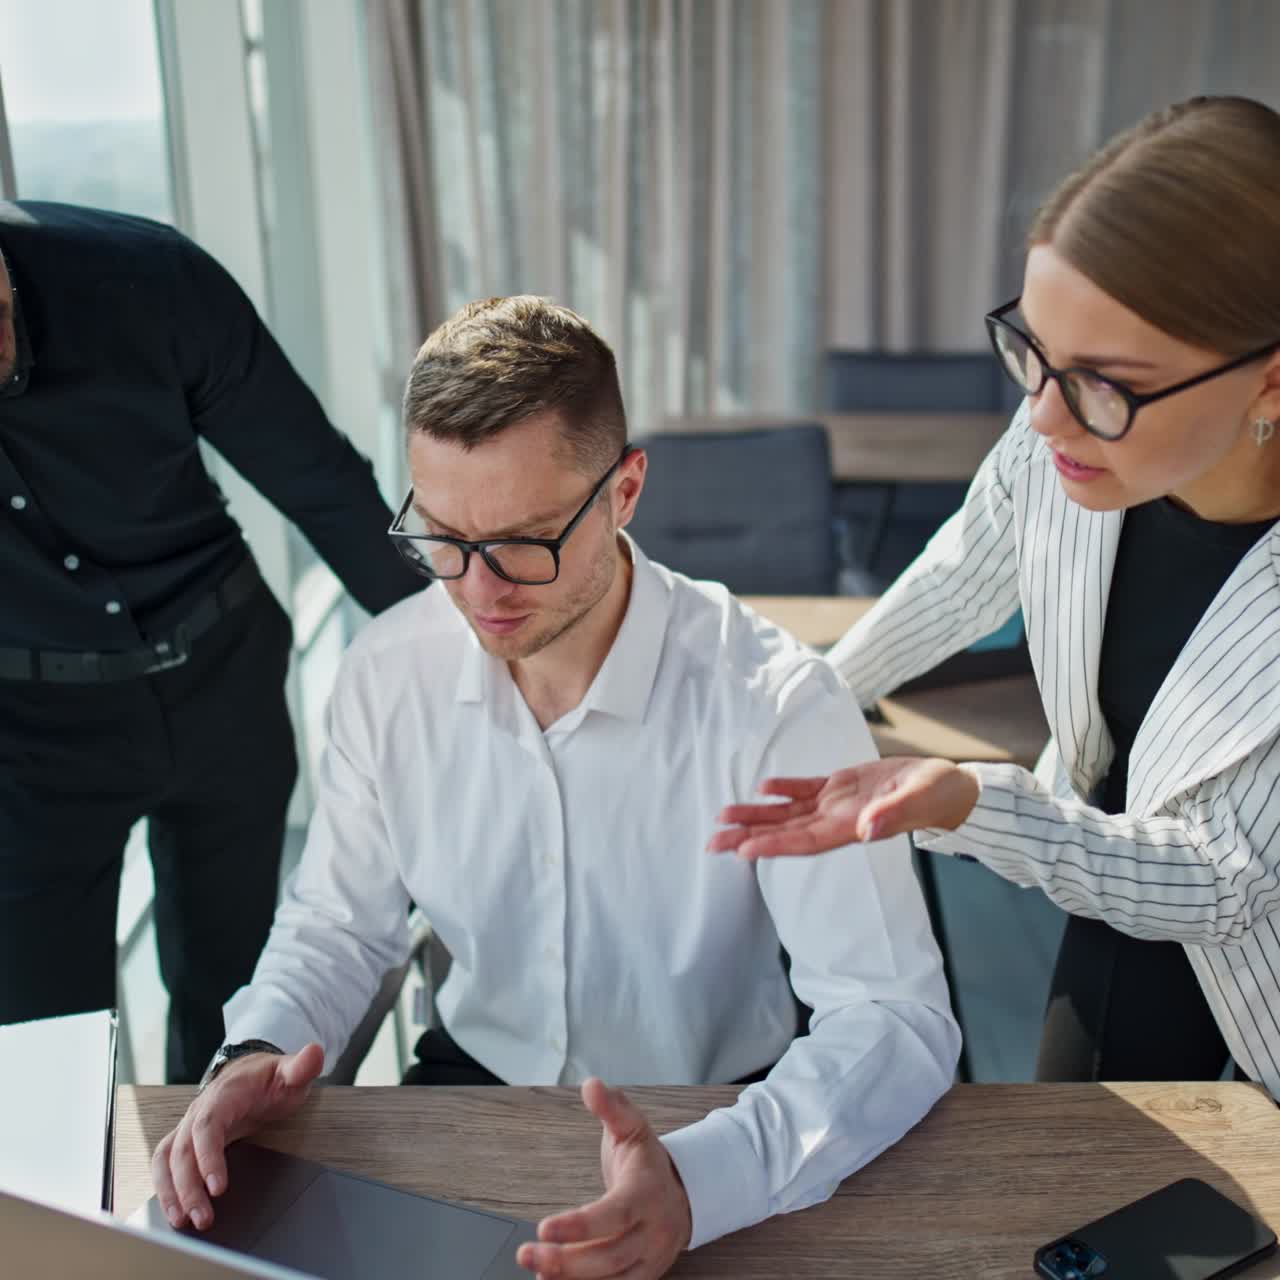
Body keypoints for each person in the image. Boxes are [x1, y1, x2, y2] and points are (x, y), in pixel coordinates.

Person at [149, 295, 959, 1277]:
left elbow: (892, 1016)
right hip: (468, 1090)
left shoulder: (777, 702)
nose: (477, 590)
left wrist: (710, 1176)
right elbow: (339, 924)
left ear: (624, 491)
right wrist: (255, 1048)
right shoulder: (385, 672)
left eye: (523, 543)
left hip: (713, 1110)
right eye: (442, 537)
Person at [711, 95, 1280, 1098]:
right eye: (1032, 351)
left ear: (1268, 383)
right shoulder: (1056, 436)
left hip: (1239, 909)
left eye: (1105, 383)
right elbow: (963, 569)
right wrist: (803, 700)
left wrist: (974, 803)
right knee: (1079, 1169)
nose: (1041, 415)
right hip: (1111, 841)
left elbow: (1220, 877)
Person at [0, 200, 422, 1083]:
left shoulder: (148, 280)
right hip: (29, 742)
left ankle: (216, 1216)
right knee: (48, 1062)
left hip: (221, 681)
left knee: (235, 1009)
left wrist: (481, 662)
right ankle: (89, 1225)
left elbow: (325, 488)